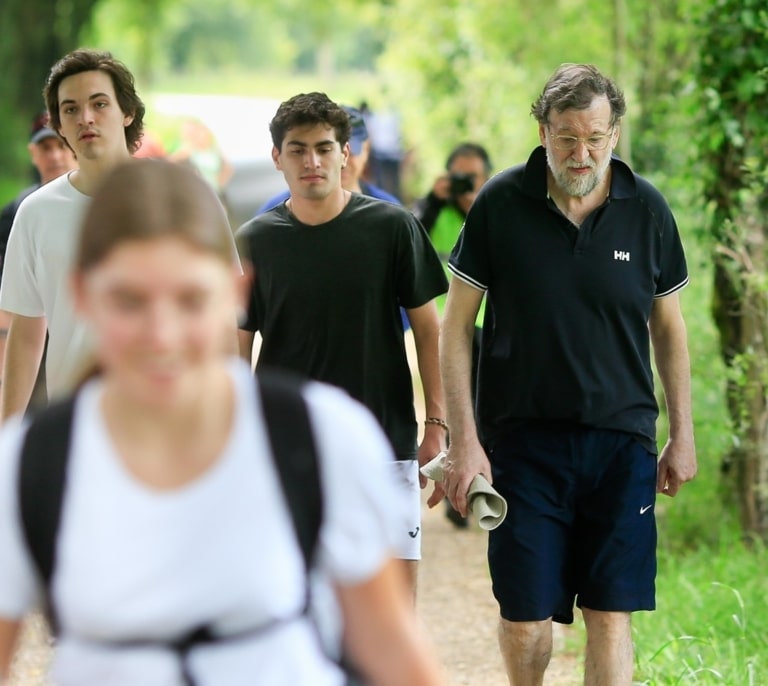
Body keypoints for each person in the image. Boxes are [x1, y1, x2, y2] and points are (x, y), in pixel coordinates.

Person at [0, 158, 445, 686]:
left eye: (191, 299)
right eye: (129, 301)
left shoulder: (319, 438)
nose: (161, 335)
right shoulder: (33, 465)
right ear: (81, 297)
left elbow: (392, 654)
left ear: (236, 293)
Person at [437, 63, 697, 685]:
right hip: (524, 445)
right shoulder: (501, 202)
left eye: (595, 138)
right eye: (566, 138)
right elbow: (454, 330)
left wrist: (682, 433)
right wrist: (465, 442)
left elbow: (670, 329)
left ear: (615, 134)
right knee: (526, 619)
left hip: (622, 442)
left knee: (611, 614)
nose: (581, 154)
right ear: (542, 130)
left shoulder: (648, 210)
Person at [236, 92, 449, 593]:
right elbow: (235, 346)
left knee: (393, 601)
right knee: (293, 601)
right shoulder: (254, 241)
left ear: (345, 153)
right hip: (286, 445)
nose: (312, 161)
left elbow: (430, 328)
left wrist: (437, 425)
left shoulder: (393, 228)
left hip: (383, 439)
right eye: (297, 149)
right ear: (277, 158)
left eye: (324, 148)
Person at [0, 48, 145, 421]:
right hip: (73, 423)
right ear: (59, 125)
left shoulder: (181, 200)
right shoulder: (36, 212)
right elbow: (27, 332)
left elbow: (221, 322)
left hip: (164, 419)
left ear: (126, 112)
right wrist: (8, 440)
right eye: (70, 109)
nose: (85, 118)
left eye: (99, 104)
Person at [414, 142, 492, 528]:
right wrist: (432, 200)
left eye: (473, 178)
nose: (465, 185)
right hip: (447, 330)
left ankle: (482, 484)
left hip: (489, 327)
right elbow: (411, 239)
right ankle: (455, 493)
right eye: (458, 177)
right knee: (453, 412)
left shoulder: (496, 211)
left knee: (485, 411)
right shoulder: (436, 214)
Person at [0, 119, 78, 411]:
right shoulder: (21, 210)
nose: (55, 156)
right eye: (46, 148)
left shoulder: (106, 204)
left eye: (60, 145)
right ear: (34, 153)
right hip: (32, 331)